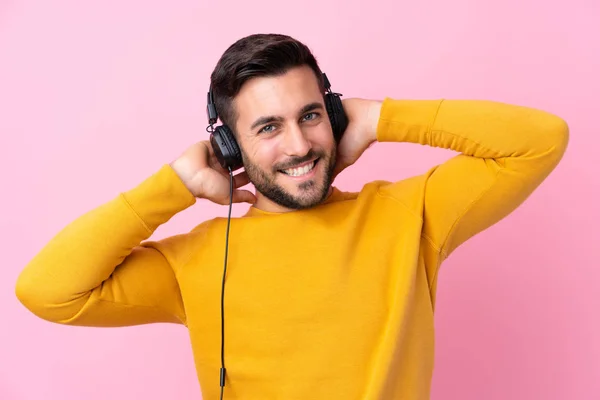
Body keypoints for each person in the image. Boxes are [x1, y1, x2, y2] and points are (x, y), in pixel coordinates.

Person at [15, 33, 569, 400]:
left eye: (310, 116)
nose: (300, 144)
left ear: (333, 112)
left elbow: (540, 141)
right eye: (268, 127)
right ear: (230, 145)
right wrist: (175, 186)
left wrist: (380, 118)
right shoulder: (198, 259)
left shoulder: (407, 213)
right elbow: (47, 291)